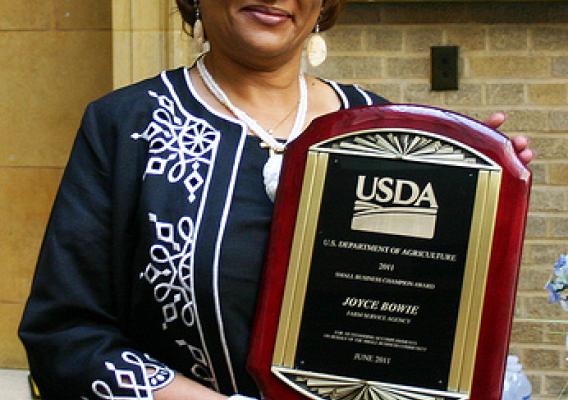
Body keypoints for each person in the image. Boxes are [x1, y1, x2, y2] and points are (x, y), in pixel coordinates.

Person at [18, 1, 533, 399]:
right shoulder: (125, 126)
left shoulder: (386, 130)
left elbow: (422, 316)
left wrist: (482, 200)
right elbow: (64, 336)